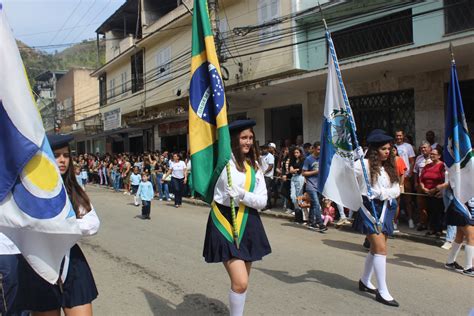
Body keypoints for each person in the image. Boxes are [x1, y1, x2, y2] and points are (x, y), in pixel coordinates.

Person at [17, 134, 100, 315]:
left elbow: (93, 223)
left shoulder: (73, 188)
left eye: (66, 155)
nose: (62, 160)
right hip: (38, 262)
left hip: (72, 262)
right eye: (56, 155)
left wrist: (63, 225)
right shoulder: (28, 190)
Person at [203, 119, 271, 316]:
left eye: (250, 137)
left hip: (248, 221)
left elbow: (262, 201)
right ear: (234, 140)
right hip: (224, 220)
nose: (248, 142)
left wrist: (242, 195)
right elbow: (216, 192)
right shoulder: (223, 163)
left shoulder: (255, 166)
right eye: (243, 138)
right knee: (240, 282)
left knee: (242, 283)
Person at [353, 129, 400, 307]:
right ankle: (383, 291)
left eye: (389, 148)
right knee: (380, 249)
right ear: (374, 150)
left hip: (386, 208)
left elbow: (397, 189)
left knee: (376, 248)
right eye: (383, 149)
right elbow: (344, 176)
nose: (388, 152)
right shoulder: (362, 165)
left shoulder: (389, 167)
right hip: (369, 209)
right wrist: (351, 159)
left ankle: (365, 281)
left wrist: (381, 193)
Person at [419, 148, 446, 237]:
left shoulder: (442, 166)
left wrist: (434, 190)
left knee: (438, 211)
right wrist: (423, 188)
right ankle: (431, 229)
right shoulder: (427, 166)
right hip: (427, 192)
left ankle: (439, 229)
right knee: (429, 211)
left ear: (439, 156)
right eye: (431, 154)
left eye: (434, 154)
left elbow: (444, 180)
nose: (432, 155)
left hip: (437, 192)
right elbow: (421, 178)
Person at [444, 197, 474, 277]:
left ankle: (450, 262)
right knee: (471, 237)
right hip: (462, 207)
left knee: (460, 236)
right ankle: (468, 268)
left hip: (465, 207)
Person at [301, 142, 327, 231]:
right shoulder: (308, 159)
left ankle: (311, 222)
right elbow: (303, 173)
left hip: (319, 185)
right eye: (318, 149)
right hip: (310, 185)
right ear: (314, 149)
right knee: (316, 204)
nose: (320, 151)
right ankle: (320, 223)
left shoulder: (322, 158)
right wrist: (315, 172)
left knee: (313, 205)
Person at [394, 129, 416, 228]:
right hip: (395, 178)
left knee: (408, 200)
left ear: (403, 136)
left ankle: (410, 219)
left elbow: (412, 161)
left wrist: (410, 173)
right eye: (397, 136)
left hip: (406, 176)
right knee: (396, 201)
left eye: (400, 136)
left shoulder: (408, 146)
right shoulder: (393, 147)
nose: (398, 137)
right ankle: (395, 220)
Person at [413, 141, 432, 231]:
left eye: (425, 147)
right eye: (422, 148)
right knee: (421, 205)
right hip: (421, 184)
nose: (423, 149)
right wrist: (416, 183)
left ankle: (431, 224)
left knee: (432, 205)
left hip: (432, 185)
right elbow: (415, 171)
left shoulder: (433, 157)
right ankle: (423, 223)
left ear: (429, 148)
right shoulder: (418, 158)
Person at [289, 147, 305, 224]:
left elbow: (300, 170)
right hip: (293, 178)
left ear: (300, 153)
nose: (295, 154)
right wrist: (294, 170)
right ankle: (297, 215)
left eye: (297, 152)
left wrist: (294, 170)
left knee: (299, 197)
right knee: (293, 196)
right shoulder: (293, 160)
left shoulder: (303, 160)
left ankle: (300, 218)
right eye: (295, 153)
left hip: (300, 178)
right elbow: (290, 169)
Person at [260, 144, 274, 210]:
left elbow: (271, 166)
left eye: (265, 149)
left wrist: (265, 172)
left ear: (268, 149)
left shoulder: (270, 156)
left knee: (266, 190)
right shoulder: (262, 156)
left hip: (268, 176)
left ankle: (268, 204)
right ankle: (266, 203)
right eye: (262, 149)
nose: (263, 150)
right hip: (262, 176)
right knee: (263, 190)